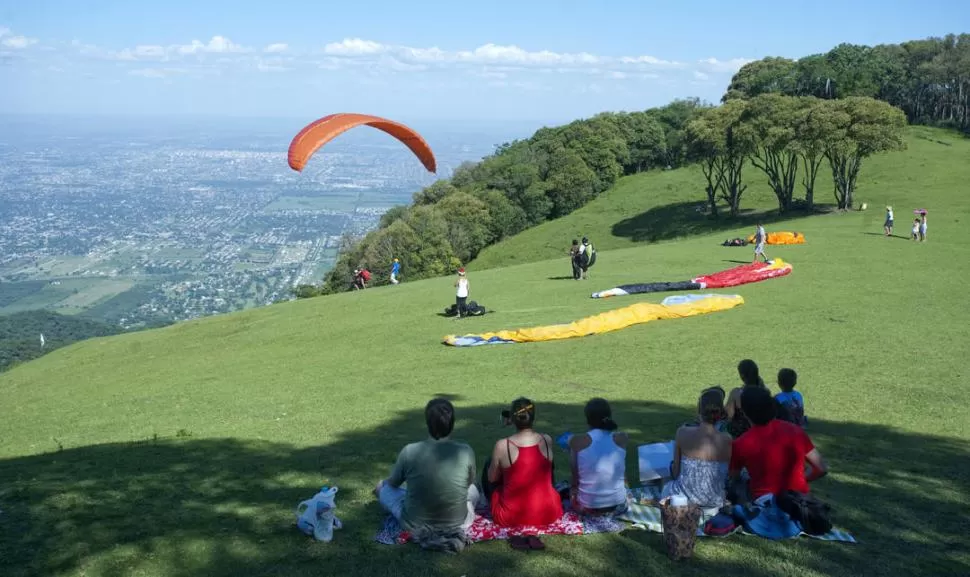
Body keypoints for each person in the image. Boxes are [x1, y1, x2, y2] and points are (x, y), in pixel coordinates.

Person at [374, 398, 480, 541]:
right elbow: (469, 483)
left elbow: (393, 483)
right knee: (473, 490)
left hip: (414, 524)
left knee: (384, 489)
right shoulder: (465, 451)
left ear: (427, 423)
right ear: (452, 423)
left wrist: (382, 485)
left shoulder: (410, 451)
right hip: (458, 524)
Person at [728, 386, 828, 503]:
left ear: (744, 412)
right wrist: (800, 480)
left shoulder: (741, 443)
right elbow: (821, 468)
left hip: (766, 506)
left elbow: (733, 476)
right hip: (798, 501)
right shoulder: (795, 431)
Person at [483, 398, 564, 528]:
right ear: (533, 417)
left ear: (512, 419)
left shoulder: (503, 445)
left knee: (490, 464)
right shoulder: (546, 439)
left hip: (511, 516)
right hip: (549, 512)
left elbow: (492, 478)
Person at [661, 387, 732, 510]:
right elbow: (727, 476)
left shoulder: (682, 432)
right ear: (720, 413)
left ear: (699, 411)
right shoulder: (727, 440)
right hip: (714, 500)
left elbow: (676, 472)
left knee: (663, 482)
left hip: (683, 499)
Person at [568, 398, 628, 515]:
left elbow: (575, 477)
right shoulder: (622, 438)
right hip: (619, 505)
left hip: (586, 506)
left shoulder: (576, 441)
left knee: (570, 490)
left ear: (587, 419)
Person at [725, 359, 766, 438]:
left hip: (742, 434)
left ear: (742, 376)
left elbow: (729, 415)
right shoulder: (764, 391)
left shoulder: (736, 393)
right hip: (762, 431)